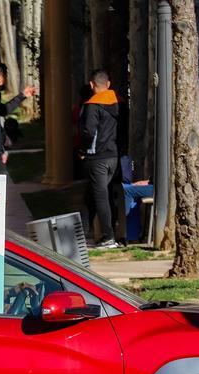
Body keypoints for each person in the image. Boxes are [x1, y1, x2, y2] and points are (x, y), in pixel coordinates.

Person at [79, 69, 120, 249]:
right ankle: (87, 232)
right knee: (100, 195)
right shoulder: (117, 104)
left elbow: (89, 132)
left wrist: (83, 150)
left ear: (91, 85)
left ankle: (108, 237)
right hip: (113, 156)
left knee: (100, 197)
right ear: (108, 84)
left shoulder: (93, 106)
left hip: (97, 158)